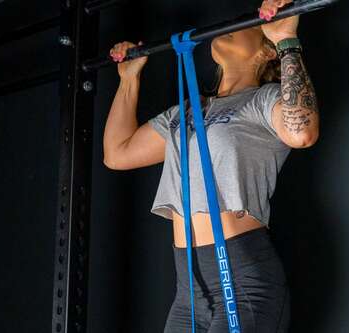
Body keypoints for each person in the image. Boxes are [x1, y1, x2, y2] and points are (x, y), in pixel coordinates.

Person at [103, 0, 319, 331]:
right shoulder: (187, 112)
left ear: (265, 52)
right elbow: (117, 153)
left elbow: (302, 132)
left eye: (245, 23)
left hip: (244, 282)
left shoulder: (262, 102)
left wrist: (285, 40)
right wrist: (129, 79)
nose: (231, 27)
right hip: (188, 291)